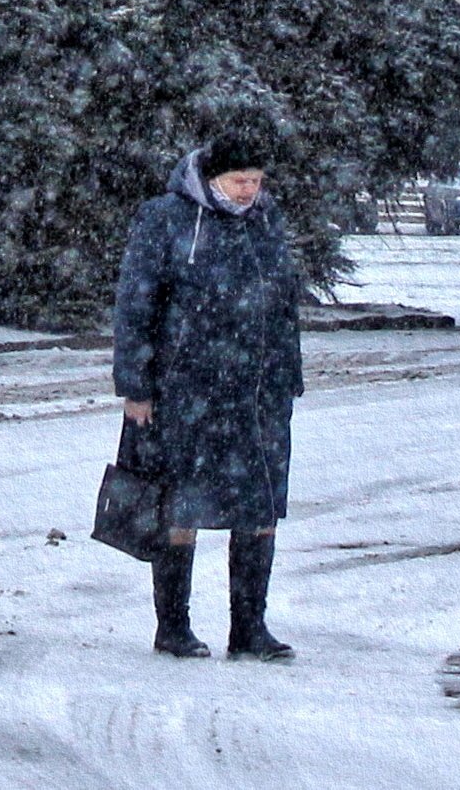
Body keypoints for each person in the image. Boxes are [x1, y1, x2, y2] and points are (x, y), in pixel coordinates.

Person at [110, 130, 304, 661]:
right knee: (179, 508)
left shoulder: (266, 220)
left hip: (258, 394)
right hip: (185, 390)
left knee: (259, 508)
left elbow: (283, 303)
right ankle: (174, 628)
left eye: (256, 181)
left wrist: (288, 377)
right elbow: (136, 304)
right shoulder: (165, 219)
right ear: (211, 177)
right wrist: (135, 386)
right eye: (239, 180)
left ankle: (250, 631)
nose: (249, 191)